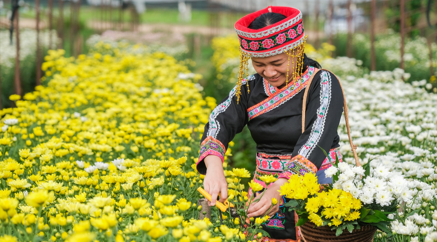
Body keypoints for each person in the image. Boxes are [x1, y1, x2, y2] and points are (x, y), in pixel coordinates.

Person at [196, 6, 345, 241]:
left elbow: (317, 137)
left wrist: (282, 187)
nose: (269, 72)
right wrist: (214, 167)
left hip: (315, 187)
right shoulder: (249, 88)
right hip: (264, 186)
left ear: (297, 50)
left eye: (277, 62)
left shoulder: (322, 82)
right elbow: (220, 121)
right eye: (259, 64)